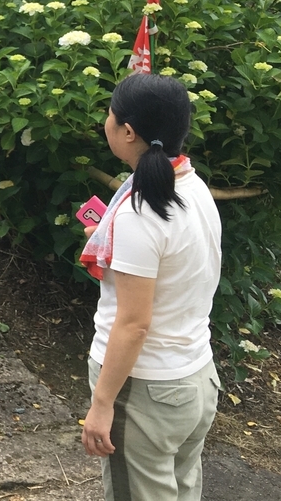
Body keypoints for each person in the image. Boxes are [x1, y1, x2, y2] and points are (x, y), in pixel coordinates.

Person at [79, 73, 222, 501]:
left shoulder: (142, 212)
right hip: (194, 377)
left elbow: (134, 324)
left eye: (110, 113)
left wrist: (102, 404)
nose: (105, 121)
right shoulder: (193, 187)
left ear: (127, 131)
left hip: (144, 389)